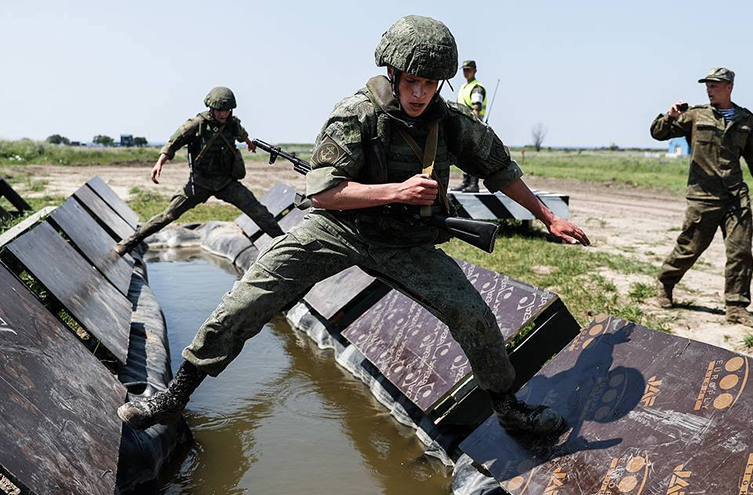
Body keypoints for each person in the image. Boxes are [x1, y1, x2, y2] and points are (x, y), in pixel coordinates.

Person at [118, 15, 589, 437]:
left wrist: (548, 217)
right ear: (393, 74)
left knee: (472, 314)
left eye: (429, 83)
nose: (419, 93)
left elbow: (500, 169)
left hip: (407, 243)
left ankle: (508, 409)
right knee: (251, 295)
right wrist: (395, 192)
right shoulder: (356, 113)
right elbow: (322, 193)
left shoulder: (453, 124)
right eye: (411, 81)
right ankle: (175, 395)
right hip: (338, 227)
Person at [650, 67, 753, 328]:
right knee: (689, 248)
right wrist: (669, 115)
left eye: (714, 85)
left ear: (729, 87)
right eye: (707, 85)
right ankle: (665, 283)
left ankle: (736, 307)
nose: (709, 89)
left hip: (735, 197)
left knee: (741, 252)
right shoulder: (695, 115)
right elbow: (659, 133)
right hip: (703, 196)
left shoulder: (745, 119)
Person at [114, 87, 283, 255]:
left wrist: (249, 143)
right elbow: (173, 143)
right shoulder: (197, 124)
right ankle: (129, 242)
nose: (224, 114)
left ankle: (287, 245)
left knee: (258, 211)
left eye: (227, 110)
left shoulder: (233, 124)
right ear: (212, 108)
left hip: (226, 182)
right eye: (220, 111)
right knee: (169, 215)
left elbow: (242, 134)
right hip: (200, 183)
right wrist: (159, 163)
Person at [452, 60, 488, 193]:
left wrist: (473, 127)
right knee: (463, 154)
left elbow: (476, 108)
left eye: (468, 69)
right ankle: (466, 182)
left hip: (472, 125)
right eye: (464, 70)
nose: (466, 72)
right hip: (461, 124)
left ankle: (473, 183)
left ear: (475, 70)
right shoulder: (463, 87)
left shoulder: (476, 87)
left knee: (472, 155)